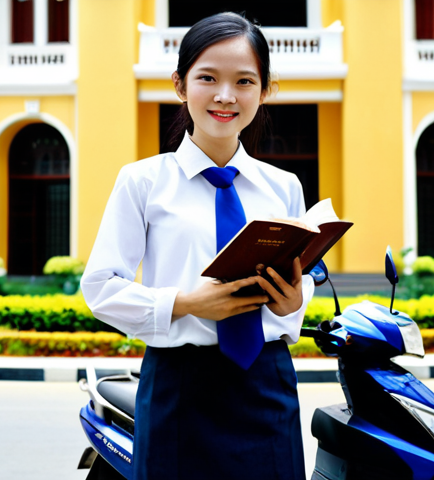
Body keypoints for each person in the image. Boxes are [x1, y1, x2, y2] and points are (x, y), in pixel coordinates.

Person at [80, 12, 315, 480]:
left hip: (266, 385)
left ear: (264, 90)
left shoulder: (283, 187)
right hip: (178, 386)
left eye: (244, 81)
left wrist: (294, 303)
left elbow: (294, 289)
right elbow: (101, 287)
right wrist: (186, 303)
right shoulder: (143, 182)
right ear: (181, 85)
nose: (226, 96)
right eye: (208, 78)